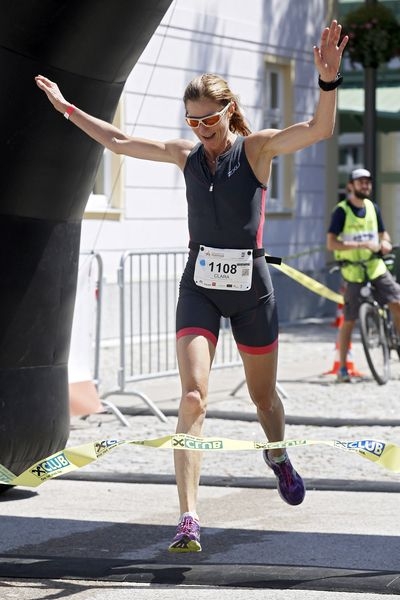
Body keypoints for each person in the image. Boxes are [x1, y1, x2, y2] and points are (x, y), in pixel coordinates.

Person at [36, 19, 348, 552]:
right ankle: (188, 516)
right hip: (199, 285)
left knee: (263, 398)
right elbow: (119, 139)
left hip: (251, 290)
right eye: (192, 120)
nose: (200, 128)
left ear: (228, 111)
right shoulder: (185, 155)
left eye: (208, 118)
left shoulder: (256, 150)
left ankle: (277, 454)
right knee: (193, 396)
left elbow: (318, 130)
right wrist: (67, 108)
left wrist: (327, 81)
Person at [327, 168, 400, 383]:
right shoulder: (341, 211)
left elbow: (383, 234)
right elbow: (331, 243)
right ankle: (342, 369)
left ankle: (397, 342)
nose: (365, 185)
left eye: (368, 182)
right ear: (351, 185)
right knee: (349, 320)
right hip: (353, 272)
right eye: (360, 182)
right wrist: (361, 245)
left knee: (397, 303)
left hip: (375, 267)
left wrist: (385, 242)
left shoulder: (372, 207)